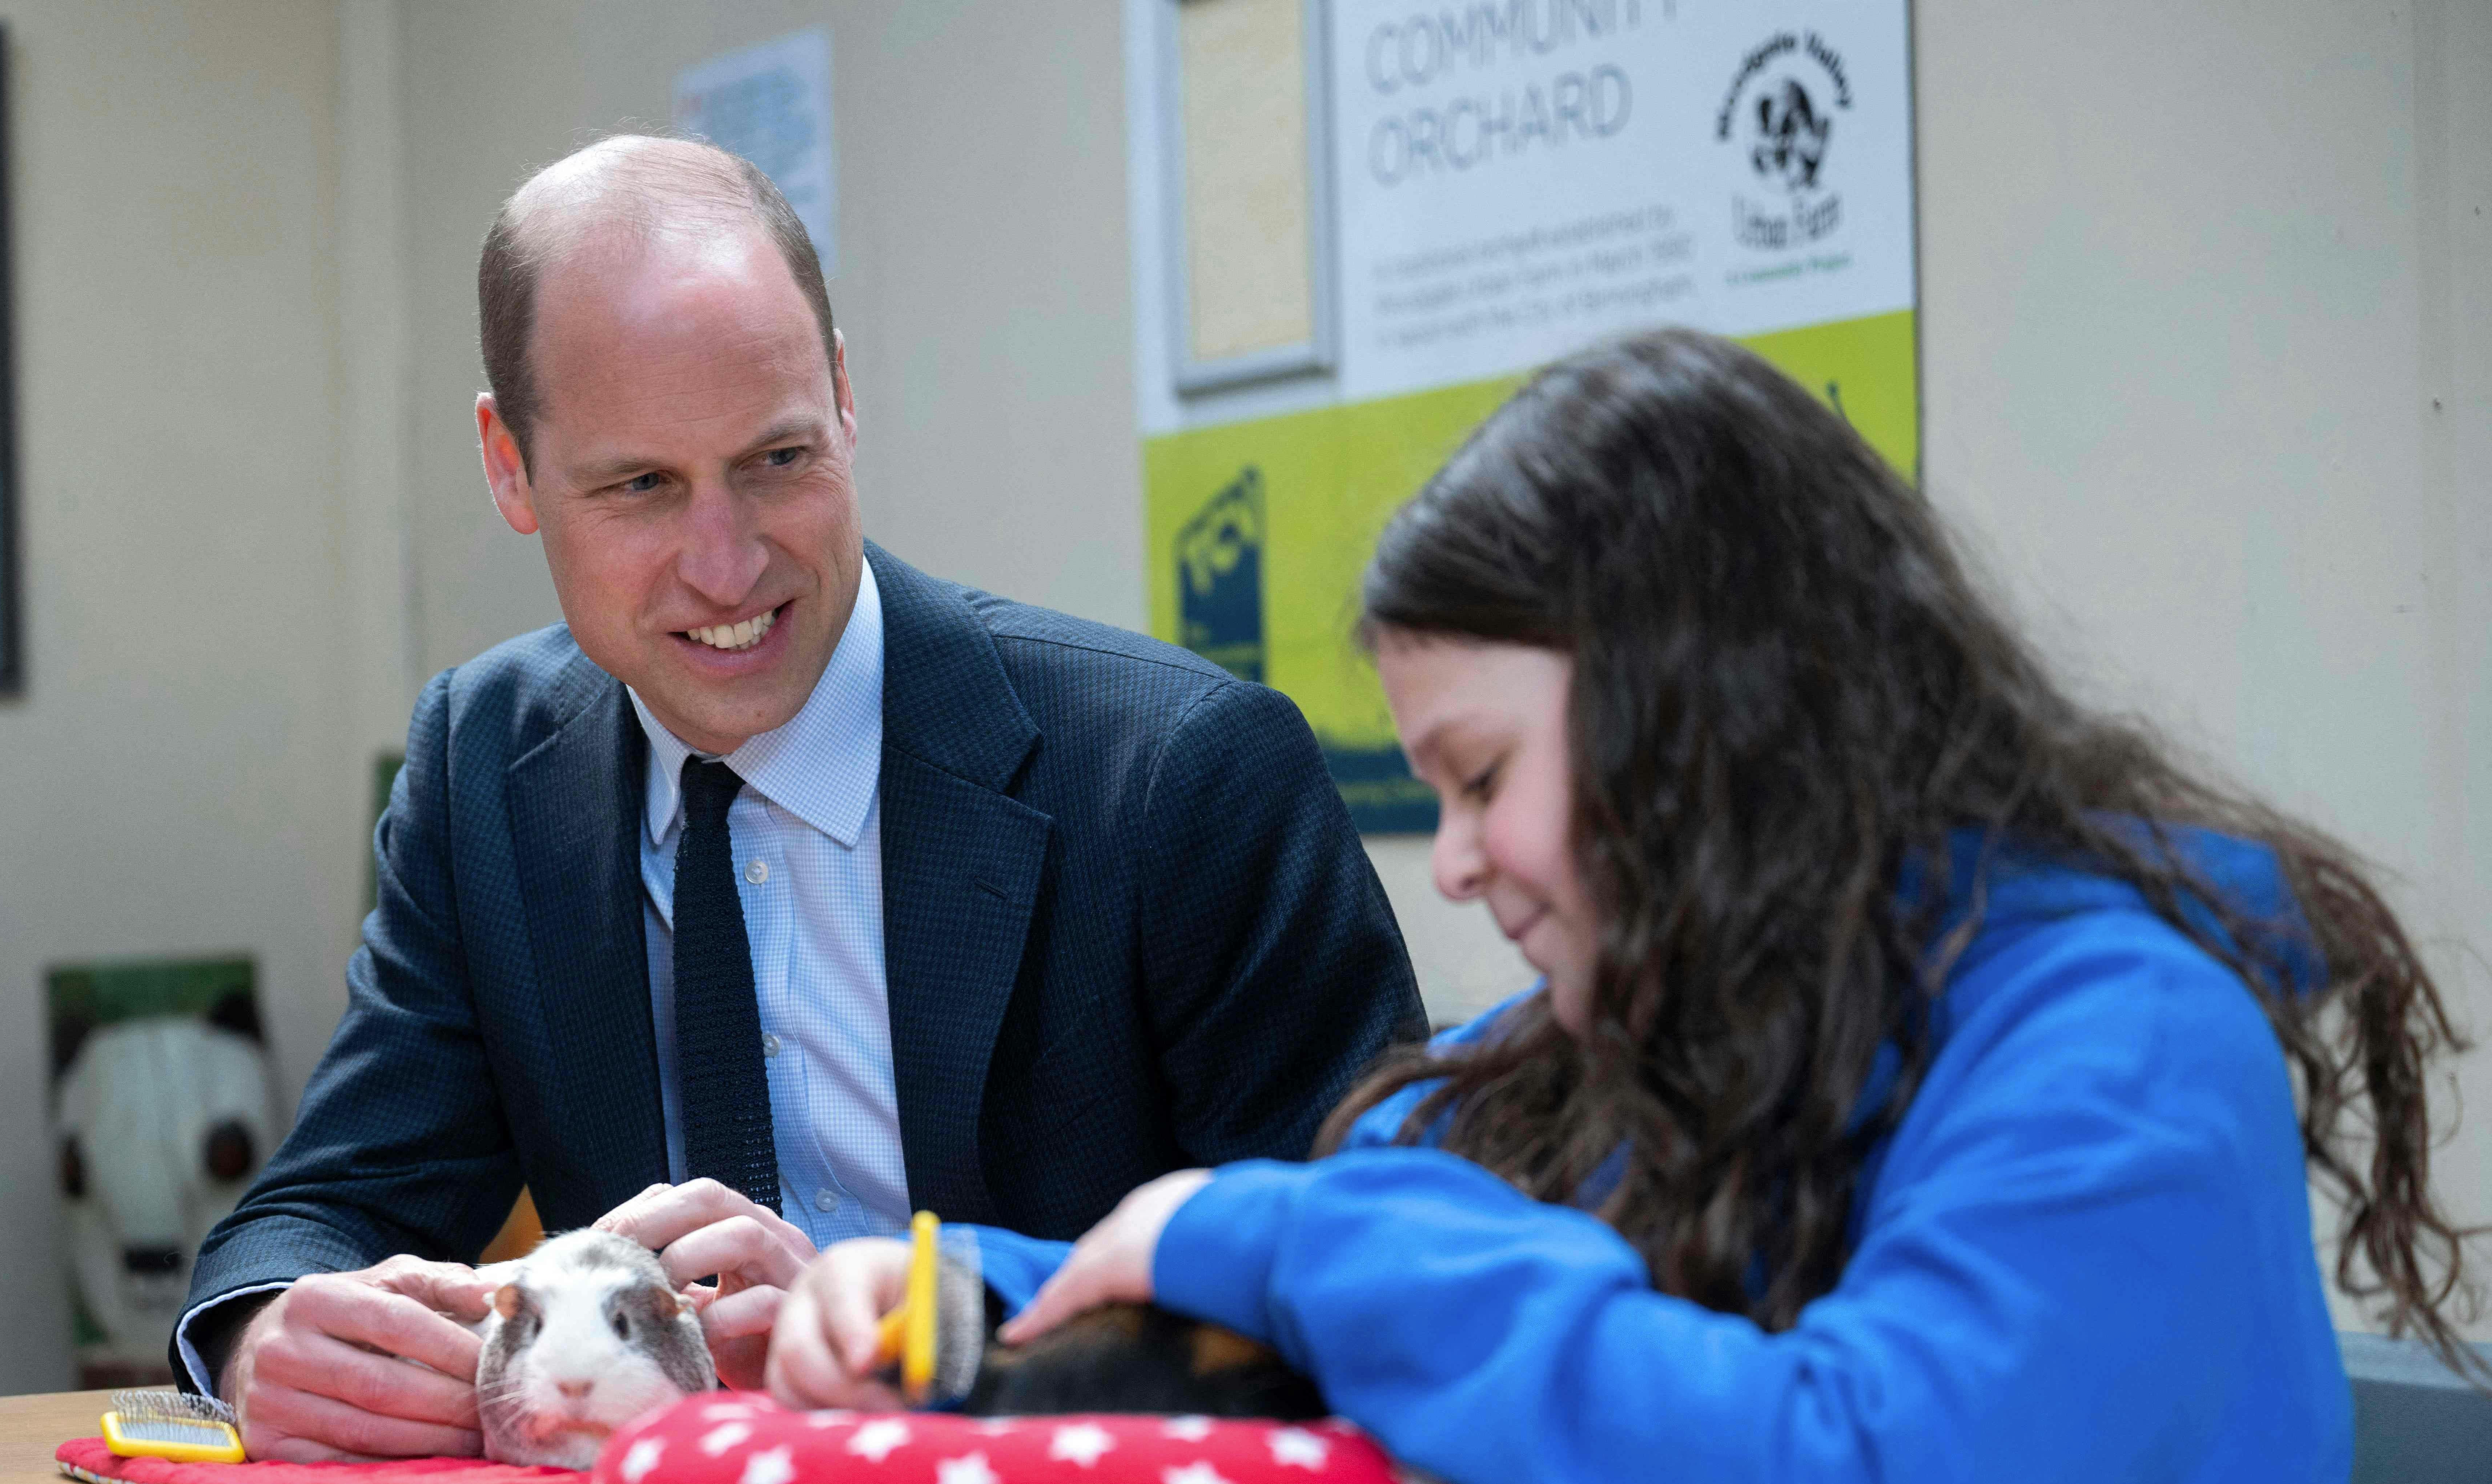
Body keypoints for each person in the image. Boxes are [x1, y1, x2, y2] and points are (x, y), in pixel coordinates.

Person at [768, 328, 2484, 1479]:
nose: (1448, 862)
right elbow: (1321, 1253)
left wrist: (1267, 1237)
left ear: (1704, 724)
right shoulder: (1610, 1043)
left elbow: (1853, 1453)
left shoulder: (2126, 1049)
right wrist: (945, 1296)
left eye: (1483, 777)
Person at [172, 135, 1426, 1463]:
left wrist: (917, 1324)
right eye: (641, 485)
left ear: (840, 394)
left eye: (776, 459)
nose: (727, 566)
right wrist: (266, 1337)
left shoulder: (1184, 772)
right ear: (509, 467)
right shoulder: (483, 765)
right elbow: (321, 1207)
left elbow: (1380, 1280)